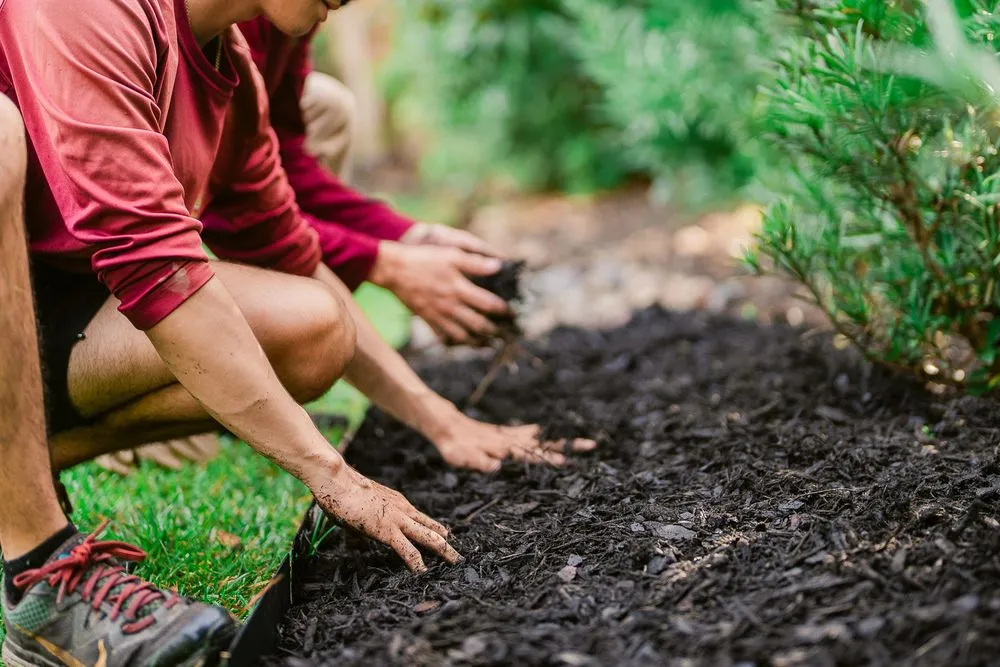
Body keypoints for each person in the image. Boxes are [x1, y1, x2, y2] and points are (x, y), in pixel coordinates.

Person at [0, 0, 589, 663]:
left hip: (53, 312)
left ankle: (17, 460)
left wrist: (442, 420)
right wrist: (332, 475)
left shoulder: (234, 71)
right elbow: (154, 265)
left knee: (314, 329)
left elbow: (289, 247)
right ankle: (37, 572)